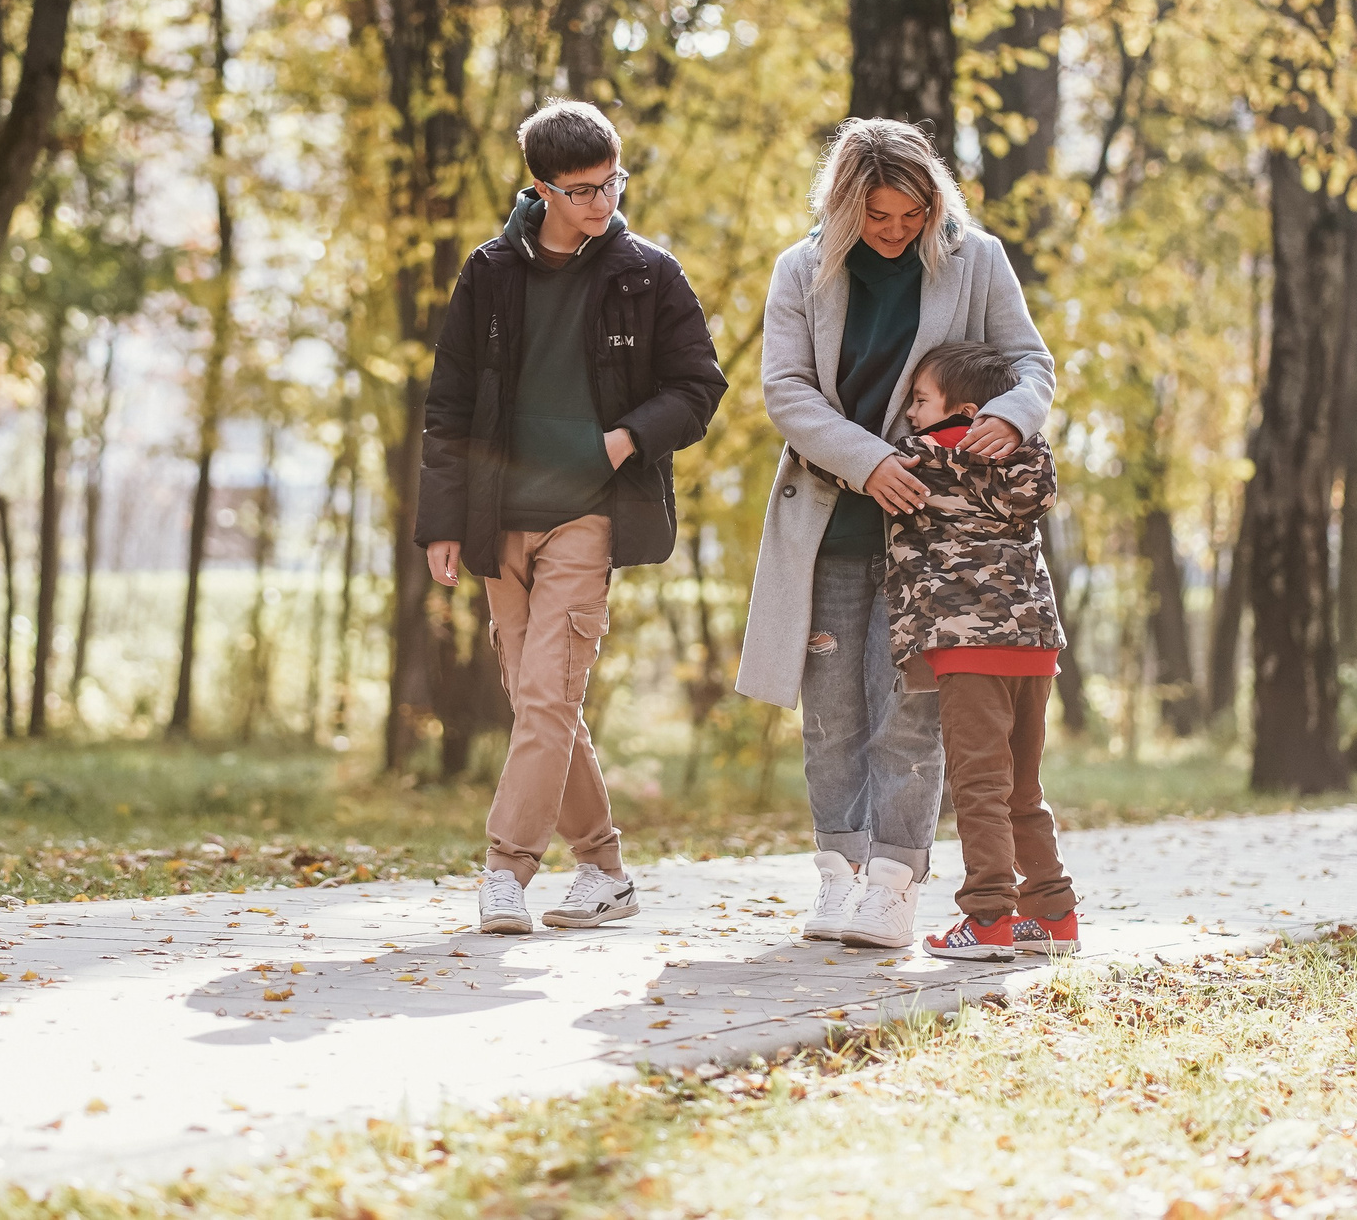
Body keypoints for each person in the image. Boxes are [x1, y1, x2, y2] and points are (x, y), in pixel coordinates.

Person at [736, 118, 1055, 951]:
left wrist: (1011, 417)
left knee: (912, 710)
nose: (895, 230)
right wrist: (869, 461)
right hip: (832, 520)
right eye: (878, 215)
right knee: (832, 713)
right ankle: (838, 874)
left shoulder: (974, 257)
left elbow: (1031, 362)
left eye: (911, 213)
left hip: (942, 541)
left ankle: (894, 881)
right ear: (845, 206)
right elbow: (788, 391)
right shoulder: (801, 270)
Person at [417, 100, 727, 937]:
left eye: (612, 182)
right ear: (541, 189)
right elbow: (447, 404)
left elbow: (701, 388)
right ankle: (603, 868)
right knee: (539, 702)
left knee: (547, 695)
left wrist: (627, 438)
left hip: (588, 512)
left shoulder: (647, 273)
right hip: (495, 518)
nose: (604, 202)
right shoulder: (488, 272)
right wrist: (441, 521)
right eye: (585, 189)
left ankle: (505, 870)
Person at [883, 341, 1079, 960]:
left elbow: (837, 463)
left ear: (963, 412)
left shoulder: (925, 458)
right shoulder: (1033, 455)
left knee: (978, 786)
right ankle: (1053, 914)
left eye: (920, 400)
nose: (911, 413)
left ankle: (989, 919)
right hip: (1034, 643)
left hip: (967, 644)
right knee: (1023, 787)